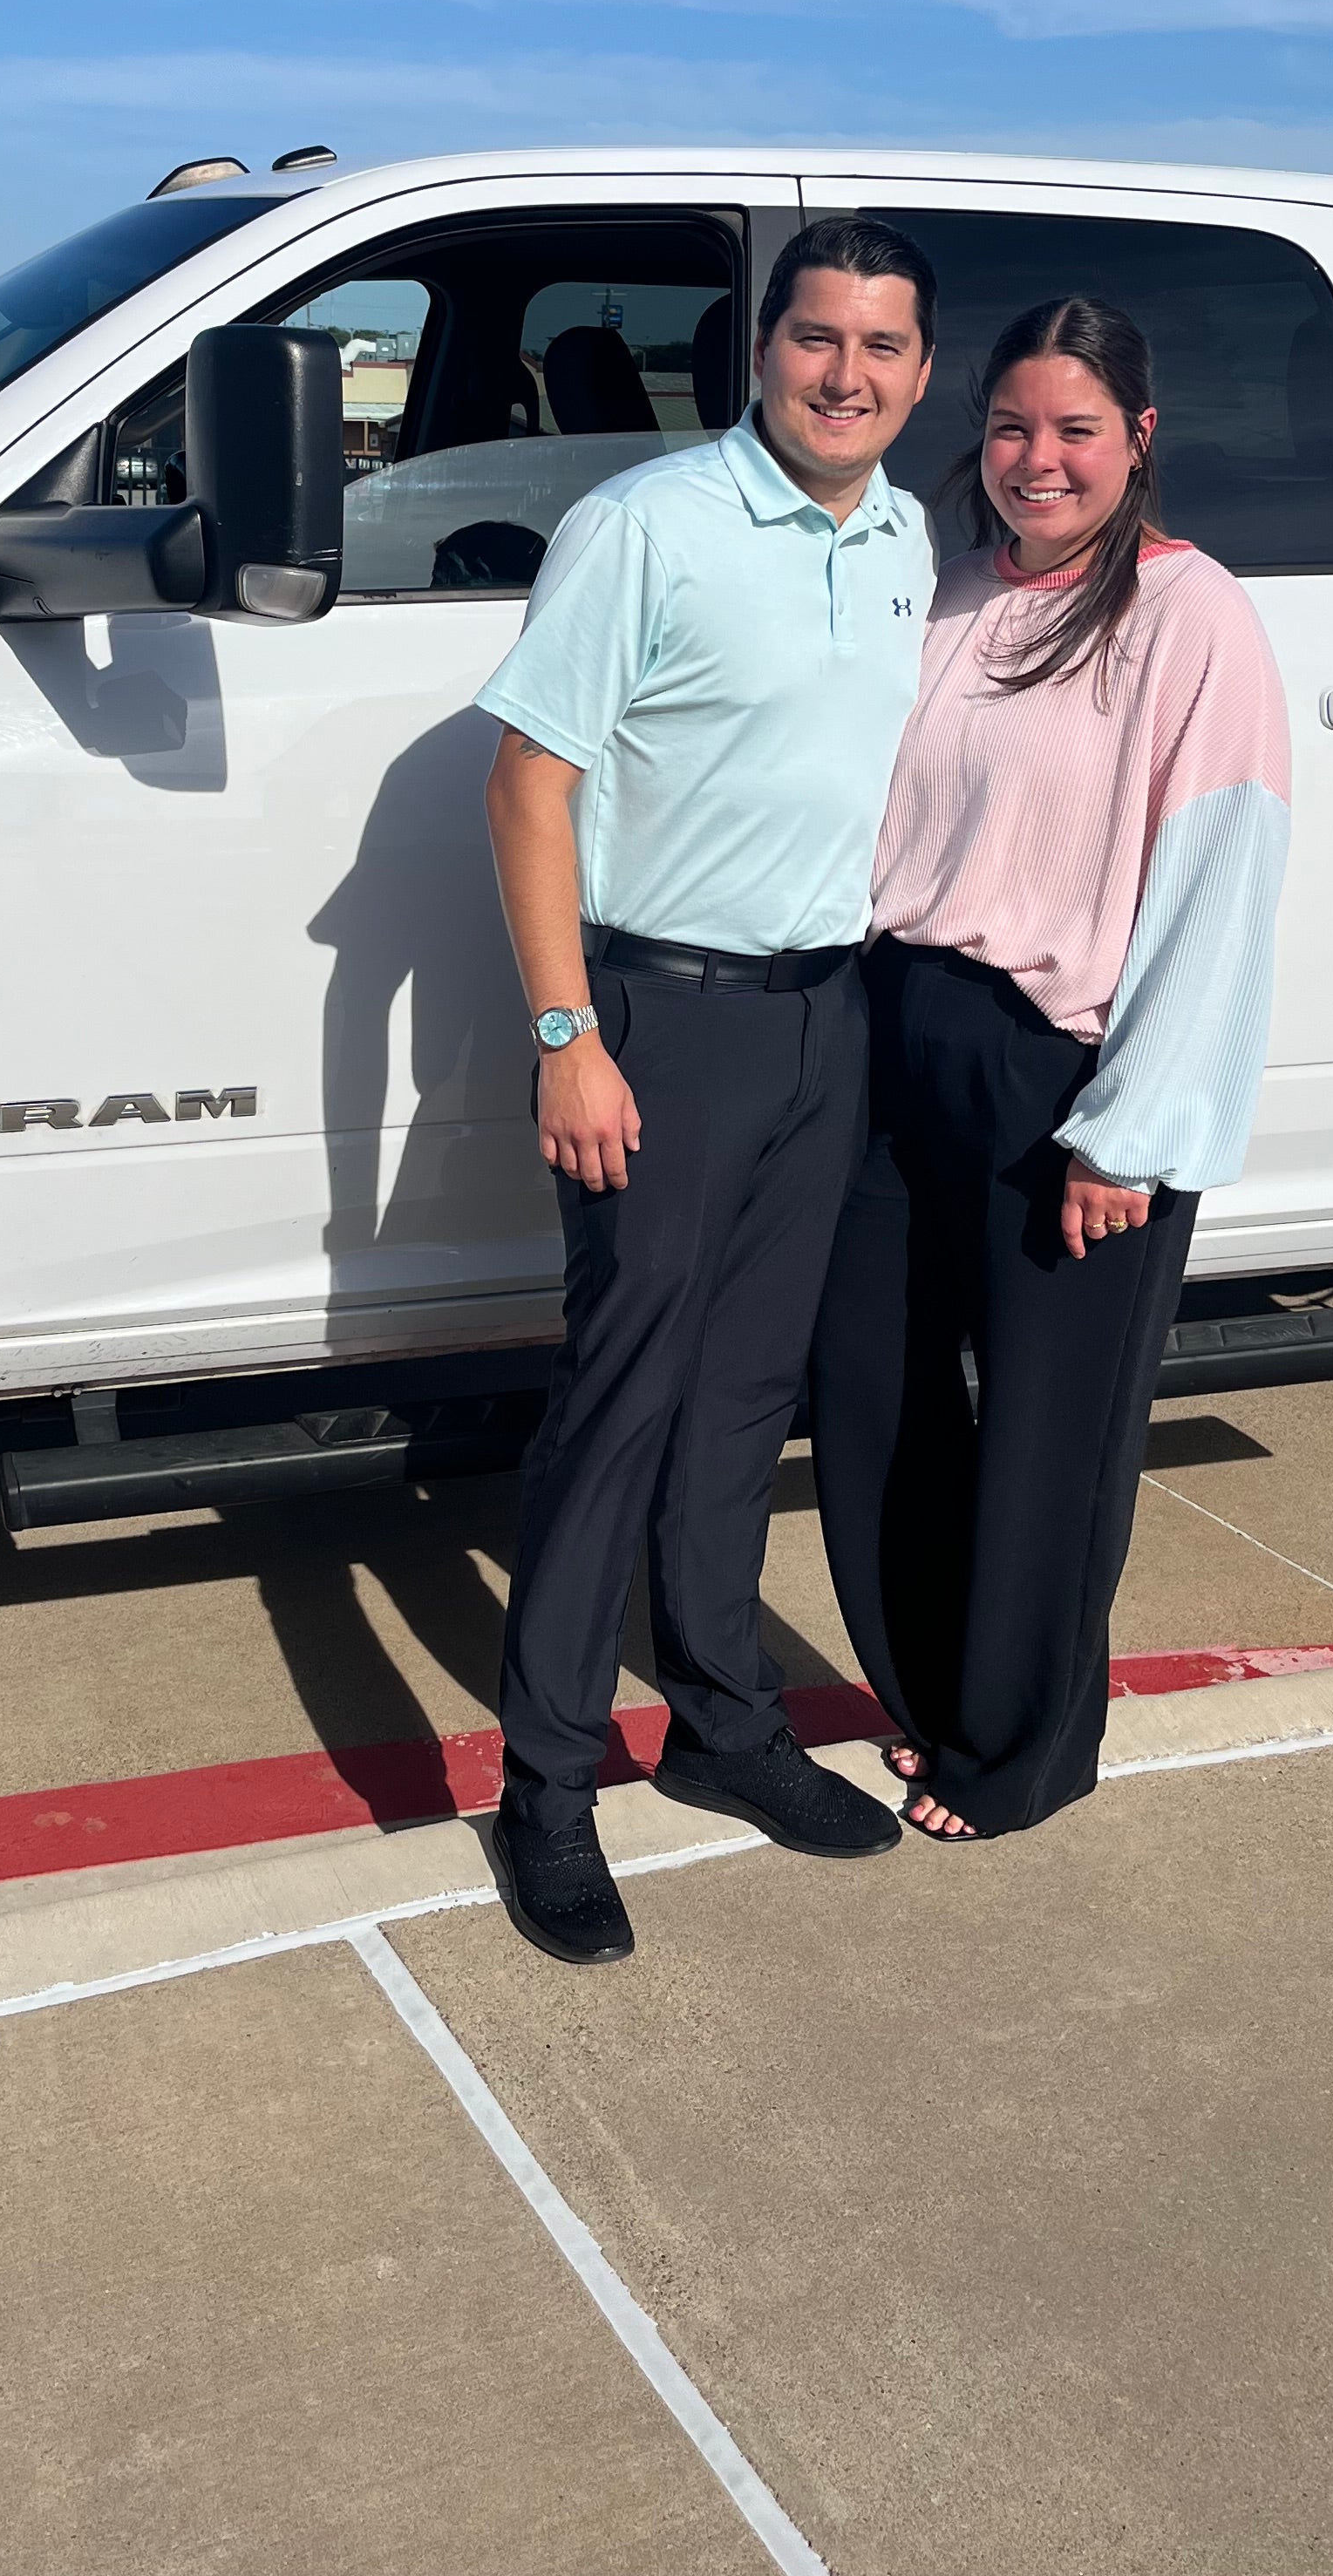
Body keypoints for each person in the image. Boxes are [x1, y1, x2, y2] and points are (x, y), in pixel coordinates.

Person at [473, 220, 940, 1962]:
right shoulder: (647, 527)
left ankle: (727, 1728)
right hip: (658, 1023)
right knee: (623, 1396)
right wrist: (564, 1037)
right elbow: (529, 786)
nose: (848, 373)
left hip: (829, 1018)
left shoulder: (903, 535)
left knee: (747, 1398)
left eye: (884, 346)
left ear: (920, 371)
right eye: (818, 337)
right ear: (759, 351)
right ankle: (548, 1782)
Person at [811, 293, 1289, 1842]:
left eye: (1076, 429)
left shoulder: (1187, 614)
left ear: (1139, 439)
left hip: (1061, 1075)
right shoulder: (947, 593)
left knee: (1044, 1435)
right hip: (897, 1032)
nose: (1038, 458)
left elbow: (1218, 886)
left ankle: (1018, 1751)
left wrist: (1131, 1135)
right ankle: (933, 1691)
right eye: (1012, 426)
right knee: (878, 1393)